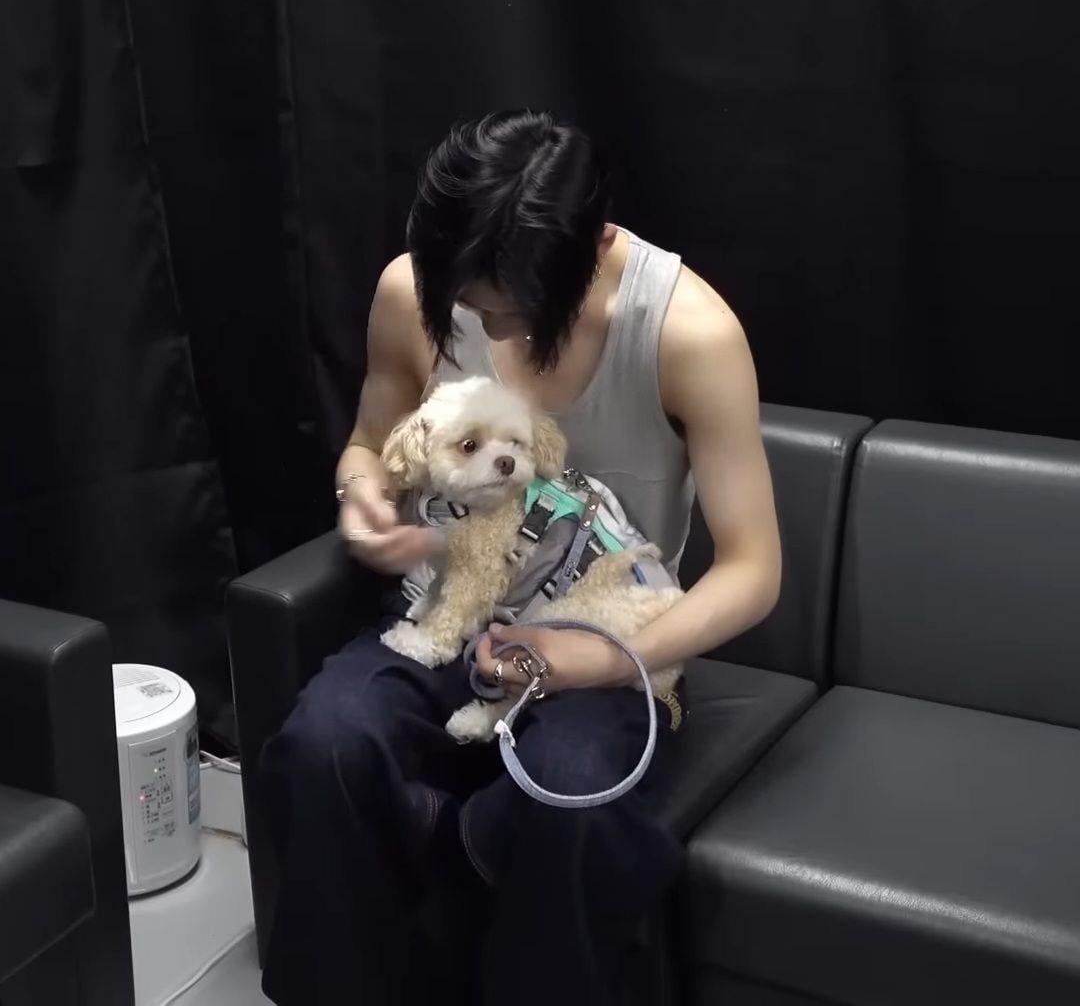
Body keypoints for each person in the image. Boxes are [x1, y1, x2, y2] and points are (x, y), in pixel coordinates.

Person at [259, 109, 782, 1005]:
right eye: (467, 303)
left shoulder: (687, 330)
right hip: (445, 607)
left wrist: (605, 658)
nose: (487, 328)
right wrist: (363, 498)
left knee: (567, 796)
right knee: (325, 746)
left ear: (596, 244)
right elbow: (368, 444)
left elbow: (752, 567)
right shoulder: (415, 288)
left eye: (508, 307)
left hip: (607, 629)